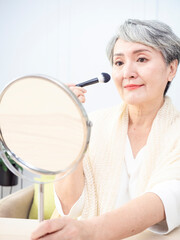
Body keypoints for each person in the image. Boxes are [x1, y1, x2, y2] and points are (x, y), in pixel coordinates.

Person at [31, 19, 180, 240]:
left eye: (141, 59)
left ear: (171, 68)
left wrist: (92, 231)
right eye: (119, 63)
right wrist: (74, 131)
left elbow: (165, 198)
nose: (127, 72)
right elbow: (71, 207)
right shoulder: (94, 124)